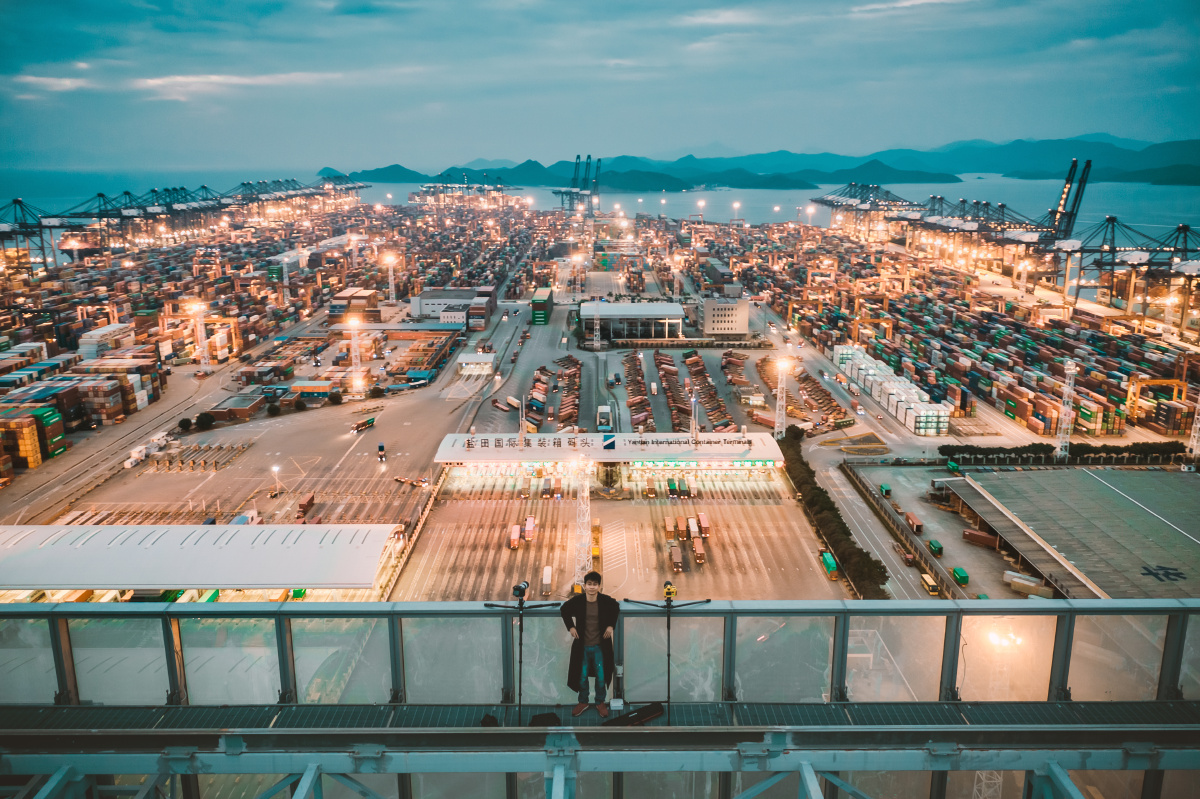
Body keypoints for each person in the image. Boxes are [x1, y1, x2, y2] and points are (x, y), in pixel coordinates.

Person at [560, 570, 619, 718]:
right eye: (589, 584)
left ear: (599, 586)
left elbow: (616, 607)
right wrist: (571, 627)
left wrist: (611, 625)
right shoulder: (578, 601)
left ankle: (600, 702)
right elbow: (564, 610)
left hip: (600, 646)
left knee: (601, 676)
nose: (592, 587)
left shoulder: (605, 601)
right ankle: (583, 701)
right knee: (582, 676)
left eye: (595, 584)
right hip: (582, 646)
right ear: (585, 586)